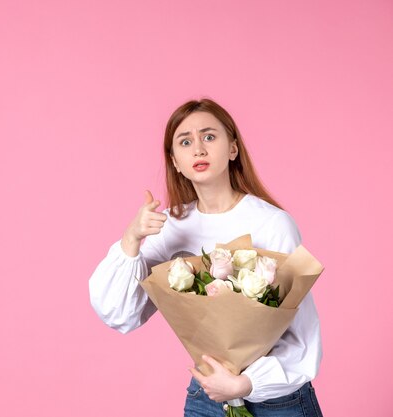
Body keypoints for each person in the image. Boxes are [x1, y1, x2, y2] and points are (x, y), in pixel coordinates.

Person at [88, 98, 324, 417]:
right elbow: (121, 314)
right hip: (208, 397)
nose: (198, 149)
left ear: (232, 149)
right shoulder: (171, 227)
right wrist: (131, 238)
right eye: (185, 142)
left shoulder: (272, 223)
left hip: (277, 401)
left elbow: (303, 334)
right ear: (175, 162)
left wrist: (246, 384)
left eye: (209, 137)